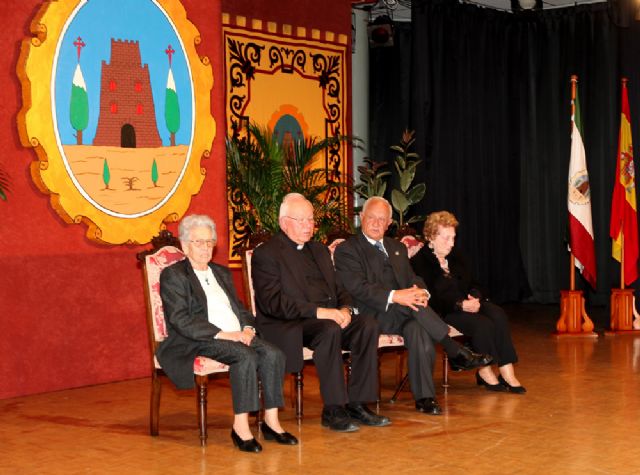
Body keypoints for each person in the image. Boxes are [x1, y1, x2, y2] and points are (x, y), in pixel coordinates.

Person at [333, 197, 493, 415]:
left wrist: (421, 292)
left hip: (404, 313)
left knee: (418, 330)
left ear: (389, 223)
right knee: (412, 307)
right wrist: (398, 296)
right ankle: (455, 350)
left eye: (382, 219)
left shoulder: (396, 247)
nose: (376, 223)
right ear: (362, 218)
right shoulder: (348, 250)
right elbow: (358, 288)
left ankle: (425, 398)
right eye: (372, 217)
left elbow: (413, 277)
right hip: (371, 314)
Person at [157, 214, 298, 454]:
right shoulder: (174, 275)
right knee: (245, 356)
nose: (205, 248)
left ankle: (271, 423)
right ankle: (241, 427)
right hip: (199, 339)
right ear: (184, 245)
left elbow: (240, 308)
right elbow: (181, 320)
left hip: (236, 334)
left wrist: (247, 328)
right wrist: (224, 334)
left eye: (209, 241)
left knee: (274, 353)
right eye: (198, 242)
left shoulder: (220, 272)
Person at [251, 193, 390, 432]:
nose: (308, 225)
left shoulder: (320, 250)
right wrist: (320, 312)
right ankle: (334, 408)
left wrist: (346, 308)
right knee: (329, 329)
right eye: (301, 220)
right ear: (284, 223)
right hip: (291, 323)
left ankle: (357, 403)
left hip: (328, 317)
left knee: (368, 325)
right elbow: (272, 303)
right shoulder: (267, 253)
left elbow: (340, 288)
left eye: (311, 219)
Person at [410, 211, 526, 394]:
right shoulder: (419, 262)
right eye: (446, 238)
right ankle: (485, 370)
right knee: (483, 325)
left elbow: (475, 282)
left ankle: (506, 369)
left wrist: (475, 296)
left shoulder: (457, 256)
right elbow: (430, 296)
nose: (452, 243)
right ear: (431, 236)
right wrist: (460, 304)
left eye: (453, 237)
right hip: (447, 309)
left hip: (469, 302)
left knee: (498, 314)